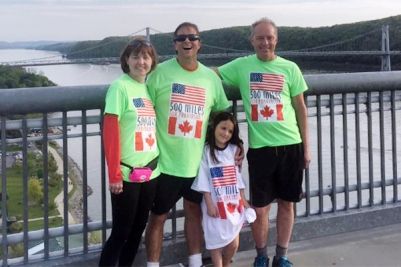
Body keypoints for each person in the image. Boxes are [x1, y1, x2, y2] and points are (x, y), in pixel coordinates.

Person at [217, 18, 311, 267]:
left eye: (269, 37)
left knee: (287, 205)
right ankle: (261, 256)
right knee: (260, 209)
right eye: (260, 38)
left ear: (276, 39)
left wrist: (306, 147)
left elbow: (300, 108)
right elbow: (212, 75)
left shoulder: (290, 68)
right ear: (252, 41)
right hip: (261, 150)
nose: (265, 42)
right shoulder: (241, 66)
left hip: (291, 144)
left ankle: (282, 256)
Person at [144, 22, 231, 267]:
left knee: (194, 213)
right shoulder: (159, 74)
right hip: (164, 163)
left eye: (192, 38)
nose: (187, 42)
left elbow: (223, 116)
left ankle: (194, 263)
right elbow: (141, 111)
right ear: (174, 44)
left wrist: (234, 147)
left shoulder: (210, 78)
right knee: (158, 217)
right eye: (181, 38)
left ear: (199, 43)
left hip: (196, 164)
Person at [99, 38, 160, 267]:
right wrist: (114, 174)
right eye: (135, 56)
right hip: (126, 175)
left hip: (152, 172)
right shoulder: (119, 87)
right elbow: (111, 132)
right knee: (121, 233)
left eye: (146, 56)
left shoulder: (149, 88)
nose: (141, 62)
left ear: (152, 61)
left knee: (137, 232)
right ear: (127, 60)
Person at [191, 111, 255, 267]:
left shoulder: (233, 150)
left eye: (230, 131)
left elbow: (237, 177)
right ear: (214, 127)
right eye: (223, 128)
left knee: (233, 242)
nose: (226, 133)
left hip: (232, 202)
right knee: (215, 242)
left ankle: (226, 264)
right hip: (214, 202)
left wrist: (244, 201)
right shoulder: (206, 151)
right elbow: (204, 178)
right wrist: (209, 203)